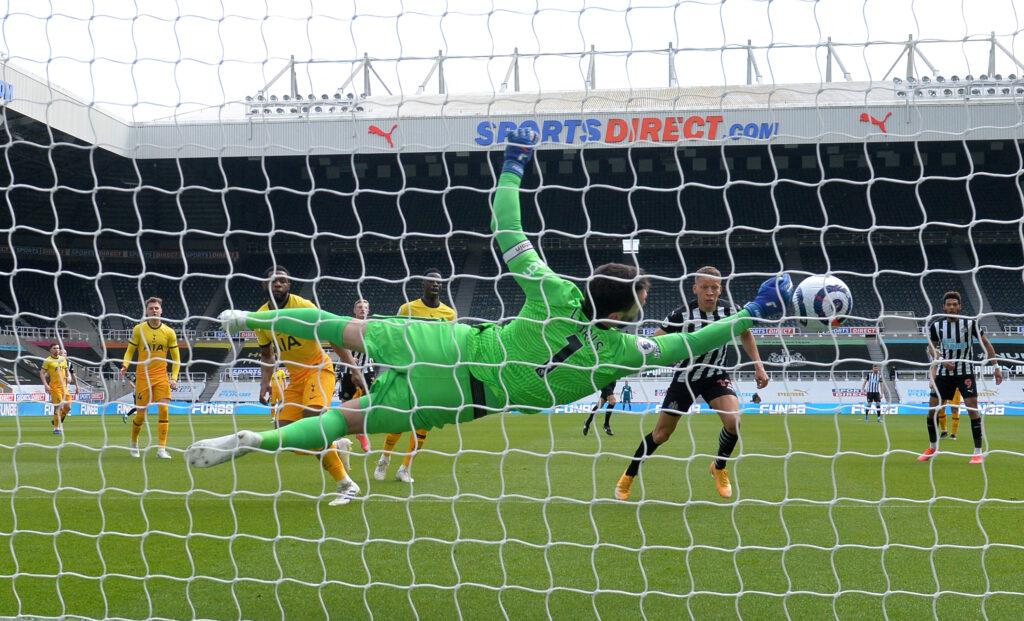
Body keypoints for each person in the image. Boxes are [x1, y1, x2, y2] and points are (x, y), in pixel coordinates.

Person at [186, 129, 793, 485]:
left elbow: (507, 230)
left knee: (334, 324)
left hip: (452, 346)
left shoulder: (555, 290)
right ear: (628, 311)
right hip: (462, 400)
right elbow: (687, 345)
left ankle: (251, 320)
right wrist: (751, 316)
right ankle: (253, 442)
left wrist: (512, 168)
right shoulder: (623, 354)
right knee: (348, 424)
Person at [616, 266, 769, 500]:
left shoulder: (731, 310)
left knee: (734, 421)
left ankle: (719, 467)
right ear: (695, 288)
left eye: (714, 287)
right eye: (705, 287)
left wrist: (759, 365)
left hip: (715, 375)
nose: (710, 292)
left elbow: (745, 332)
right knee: (661, 435)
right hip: (686, 378)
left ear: (721, 289)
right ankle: (628, 475)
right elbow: (657, 339)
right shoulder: (681, 314)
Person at [255, 267, 365, 506]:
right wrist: (265, 383)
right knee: (286, 436)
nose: (278, 284)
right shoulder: (260, 316)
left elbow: (334, 337)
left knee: (311, 421)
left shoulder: (305, 307)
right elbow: (267, 353)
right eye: (273, 281)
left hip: (318, 370)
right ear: (265, 285)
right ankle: (336, 445)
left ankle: (347, 484)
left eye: (283, 280)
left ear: (289, 284)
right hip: (296, 379)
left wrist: (354, 369)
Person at [375, 271, 458, 483]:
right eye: (431, 280)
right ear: (423, 284)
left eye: (439, 282)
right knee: (401, 417)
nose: (435, 284)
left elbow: (449, 342)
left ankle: (405, 468)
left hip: (433, 373)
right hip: (410, 370)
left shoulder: (449, 313)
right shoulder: (407, 309)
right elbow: (397, 335)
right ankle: (385, 457)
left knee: (424, 423)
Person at [919, 291, 1002, 464]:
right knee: (932, 410)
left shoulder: (970, 324)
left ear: (959, 306)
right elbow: (931, 349)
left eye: (954, 304)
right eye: (948, 304)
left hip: (965, 372)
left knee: (972, 408)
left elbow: (986, 343)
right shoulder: (936, 326)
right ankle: (932, 448)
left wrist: (996, 367)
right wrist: (939, 363)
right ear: (944, 307)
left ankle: (977, 452)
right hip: (944, 373)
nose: (951, 307)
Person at [121, 297, 180, 459]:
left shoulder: (169, 332)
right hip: (143, 377)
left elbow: (176, 359)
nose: (154, 310)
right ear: (147, 311)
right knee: (141, 415)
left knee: (164, 410)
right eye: (151, 308)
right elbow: (129, 351)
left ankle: (161, 448)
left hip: (161, 377)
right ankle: (134, 443)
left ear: (161, 311)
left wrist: (173, 378)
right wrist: (125, 365)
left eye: (156, 308)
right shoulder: (138, 329)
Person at [338, 299, 374, 453]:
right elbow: (338, 342)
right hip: (348, 369)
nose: (363, 309)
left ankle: (362, 434)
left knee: (368, 402)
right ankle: (339, 436)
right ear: (354, 310)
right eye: (360, 307)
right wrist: (350, 359)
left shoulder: (373, 326)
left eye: (365, 307)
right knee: (346, 402)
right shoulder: (347, 324)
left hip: (367, 369)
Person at [40, 343, 71, 435]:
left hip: (64, 387)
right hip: (55, 387)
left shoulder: (63, 359)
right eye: (55, 348)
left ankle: (56, 420)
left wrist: (68, 376)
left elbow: (66, 370)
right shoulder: (47, 361)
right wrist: (45, 385)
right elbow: (41, 373)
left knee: (68, 407)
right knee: (58, 407)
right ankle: (56, 428)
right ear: (50, 350)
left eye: (58, 348)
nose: (57, 350)